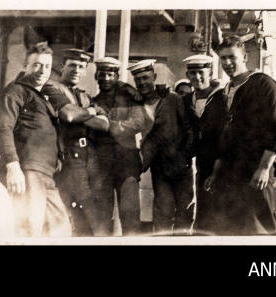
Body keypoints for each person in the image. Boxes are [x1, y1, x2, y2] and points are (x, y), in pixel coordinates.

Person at [205, 34, 276, 235]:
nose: (227, 63)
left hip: (255, 170)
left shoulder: (264, 85)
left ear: (244, 57)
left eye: (232, 57)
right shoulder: (226, 91)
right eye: (223, 58)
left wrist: (264, 168)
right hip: (229, 172)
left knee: (262, 227)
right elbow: (224, 137)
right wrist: (216, 172)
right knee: (233, 226)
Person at [0, 42, 71, 237]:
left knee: (59, 229)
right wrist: (13, 165)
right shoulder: (15, 92)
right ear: (25, 66)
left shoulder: (42, 95)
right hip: (27, 169)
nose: (43, 71)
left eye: (47, 66)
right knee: (29, 227)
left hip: (45, 172)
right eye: (36, 65)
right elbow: (2, 129)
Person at [41, 48, 110, 236]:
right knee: (85, 208)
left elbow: (104, 124)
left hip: (89, 156)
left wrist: (83, 114)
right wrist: (90, 112)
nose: (76, 70)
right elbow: (69, 115)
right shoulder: (52, 88)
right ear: (62, 66)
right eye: (72, 65)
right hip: (69, 156)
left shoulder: (84, 96)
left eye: (81, 67)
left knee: (89, 210)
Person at [128, 59, 195, 235]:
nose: (142, 83)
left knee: (185, 211)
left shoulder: (172, 99)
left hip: (181, 165)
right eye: (138, 79)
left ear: (154, 77)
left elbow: (189, 129)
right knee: (163, 211)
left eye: (146, 78)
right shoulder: (136, 103)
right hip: (158, 167)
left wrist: (185, 156)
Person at [86, 57, 144, 236]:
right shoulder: (93, 102)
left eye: (110, 74)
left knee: (130, 214)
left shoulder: (130, 97)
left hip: (127, 165)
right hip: (101, 166)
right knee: (101, 215)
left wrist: (109, 125)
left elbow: (138, 123)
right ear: (96, 76)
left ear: (117, 75)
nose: (106, 78)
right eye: (102, 74)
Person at [181, 54, 227, 234]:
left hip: (222, 161)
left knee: (220, 210)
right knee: (202, 208)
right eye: (192, 73)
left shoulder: (223, 98)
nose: (197, 77)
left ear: (210, 72)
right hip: (200, 162)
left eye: (201, 72)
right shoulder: (186, 101)